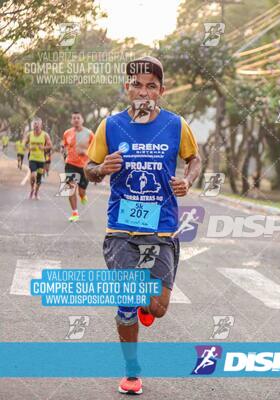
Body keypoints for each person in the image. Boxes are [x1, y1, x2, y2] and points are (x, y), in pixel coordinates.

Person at [84, 55, 201, 395]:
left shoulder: (176, 125)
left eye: (151, 86)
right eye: (137, 85)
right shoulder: (111, 126)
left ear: (161, 91)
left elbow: (194, 159)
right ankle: (132, 371)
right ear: (127, 88)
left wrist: (188, 180)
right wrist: (102, 168)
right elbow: (89, 170)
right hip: (120, 228)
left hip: (161, 228)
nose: (143, 92)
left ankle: (143, 304)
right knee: (126, 297)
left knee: (157, 308)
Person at [62, 111, 94, 222]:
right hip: (70, 164)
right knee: (70, 188)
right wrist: (65, 154)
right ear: (71, 120)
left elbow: (94, 151)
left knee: (81, 191)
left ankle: (83, 195)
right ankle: (74, 213)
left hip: (84, 166)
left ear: (82, 120)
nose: (76, 120)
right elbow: (65, 146)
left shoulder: (89, 134)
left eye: (78, 118)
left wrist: (85, 152)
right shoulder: (67, 133)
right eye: (74, 118)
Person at [24, 118, 52, 199]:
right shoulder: (30, 134)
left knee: (39, 178)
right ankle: (32, 189)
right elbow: (24, 143)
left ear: (41, 125)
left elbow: (50, 146)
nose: (36, 126)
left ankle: (36, 192)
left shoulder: (45, 135)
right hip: (32, 159)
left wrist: (43, 147)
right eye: (34, 124)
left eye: (37, 124)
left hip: (41, 160)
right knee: (33, 175)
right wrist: (28, 147)